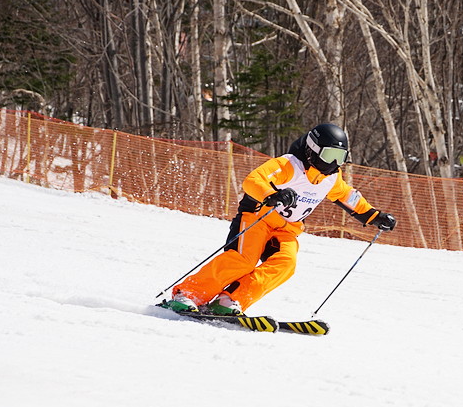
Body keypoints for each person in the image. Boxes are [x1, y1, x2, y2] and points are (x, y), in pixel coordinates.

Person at [162, 123, 397, 315]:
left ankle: (228, 301)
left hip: (287, 229)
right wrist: (272, 194)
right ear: (312, 150)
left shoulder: (331, 178)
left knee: (285, 264)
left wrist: (374, 216)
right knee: (244, 260)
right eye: (329, 155)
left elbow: (348, 197)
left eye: (340, 157)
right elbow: (252, 181)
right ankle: (188, 294)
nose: (334, 164)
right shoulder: (288, 165)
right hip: (258, 218)